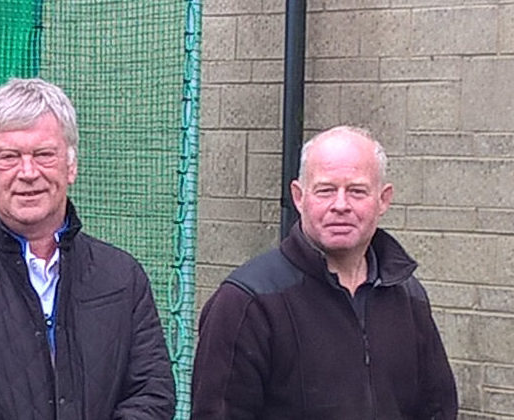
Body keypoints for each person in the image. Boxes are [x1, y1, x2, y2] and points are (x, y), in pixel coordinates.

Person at [0, 78, 175, 419]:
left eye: (44, 154)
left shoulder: (122, 276)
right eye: (9, 157)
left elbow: (152, 394)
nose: (28, 172)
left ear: (71, 166)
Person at [191, 126, 457, 419]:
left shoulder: (407, 296)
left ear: (384, 199)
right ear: (299, 196)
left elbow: (437, 409)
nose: (340, 205)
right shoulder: (247, 304)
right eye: (326, 190)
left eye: (357, 191)